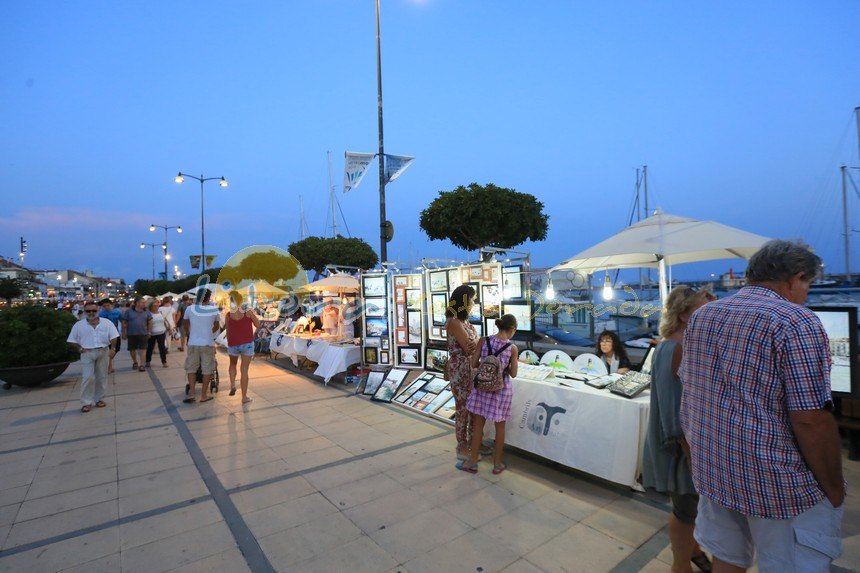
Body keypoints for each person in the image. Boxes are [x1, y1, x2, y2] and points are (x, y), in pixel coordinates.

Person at [680, 240, 845, 572]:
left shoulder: (704, 316)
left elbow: (691, 393)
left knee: (726, 559)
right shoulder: (797, 322)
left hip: (715, 469)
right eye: (807, 285)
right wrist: (834, 488)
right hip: (776, 484)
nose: (806, 294)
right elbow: (811, 419)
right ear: (794, 278)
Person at [642, 286, 715, 573]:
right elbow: (674, 412)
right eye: (703, 305)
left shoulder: (678, 345)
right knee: (685, 510)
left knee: (689, 508)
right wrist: (692, 455)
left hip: (688, 446)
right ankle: (680, 566)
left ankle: (694, 552)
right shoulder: (674, 347)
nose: (711, 309)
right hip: (683, 450)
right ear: (684, 314)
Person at [458, 314, 519, 475]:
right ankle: (497, 464)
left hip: (482, 389)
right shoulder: (512, 348)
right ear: (512, 330)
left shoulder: (484, 340)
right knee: (500, 428)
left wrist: (486, 367)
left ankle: (472, 462)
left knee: (478, 426)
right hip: (501, 391)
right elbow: (513, 374)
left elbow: (473, 364)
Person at [444, 284, 479, 461]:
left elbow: (474, 345)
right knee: (463, 409)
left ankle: (474, 443)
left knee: (471, 408)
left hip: (469, 369)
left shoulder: (463, 321)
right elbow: (468, 347)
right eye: (472, 299)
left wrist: (475, 344)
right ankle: (462, 446)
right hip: (460, 370)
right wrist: (475, 343)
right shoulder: (455, 322)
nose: (474, 302)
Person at [67, 301, 119, 413]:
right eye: (88, 311)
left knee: (102, 376)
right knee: (88, 377)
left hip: (103, 351)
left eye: (94, 310)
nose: (91, 313)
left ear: (98, 311)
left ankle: (99, 399)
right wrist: (79, 348)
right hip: (87, 353)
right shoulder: (79, 325)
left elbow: (114, 336)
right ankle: (86, 402)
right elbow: (71, 340)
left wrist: (113, 348)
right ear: (85, 312)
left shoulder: (106, 323)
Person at [183, 289, 220, 404]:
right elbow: (217, 326)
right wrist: (208, 332)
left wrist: (191, 334)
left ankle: (193, 394)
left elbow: (185, 324)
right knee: (207, 369)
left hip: (193, 343)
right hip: (207, 343)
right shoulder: (214, 310)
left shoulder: (189, 309)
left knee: (191, 368)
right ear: (209, 298)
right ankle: (203, 395)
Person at [226, 291, 260, 404]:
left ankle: (232, 385)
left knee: (232, 365)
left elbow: (227, 330)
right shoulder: (248, 311)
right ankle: (244, 397)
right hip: (247, 343)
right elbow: (258, 324)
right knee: (244, 370)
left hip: (233, 343)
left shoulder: (228, 314)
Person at [122, 296, 151, 372]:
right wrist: (123, 333)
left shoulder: (146, 311)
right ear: (137, 303)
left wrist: (149, 331)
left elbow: (150, 322)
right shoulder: (128, 311)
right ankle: (135, 362)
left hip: (143, 333)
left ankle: (142, 365)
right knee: (132, 349)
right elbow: (124, 322)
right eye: (143, 302)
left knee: (143, 349)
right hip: (131, 333)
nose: (144, 304)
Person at [98, 298, 122, 373]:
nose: (106, 307)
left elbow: (122, 320)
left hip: (115, 333)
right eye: (104, 306)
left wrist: (124, 330)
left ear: (111, 305)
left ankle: (109, 364)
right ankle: (109, 367)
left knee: (116, 349)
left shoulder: (117, 312)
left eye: (107, 305)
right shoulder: (101, 314)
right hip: (105, 335)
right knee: (108, 350)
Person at [145, 299, 169, 368]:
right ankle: (148, 361)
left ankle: (164, 362)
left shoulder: (160, 312)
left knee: (162, 347)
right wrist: (148, 332)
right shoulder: (149, 314)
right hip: (152, 333)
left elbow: (164, 320)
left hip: (161, 332)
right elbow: (147, 323)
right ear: (150, 307)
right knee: (150, 347)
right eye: (154, 306)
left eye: (156, 305)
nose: (156, 307)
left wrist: (169, 328)